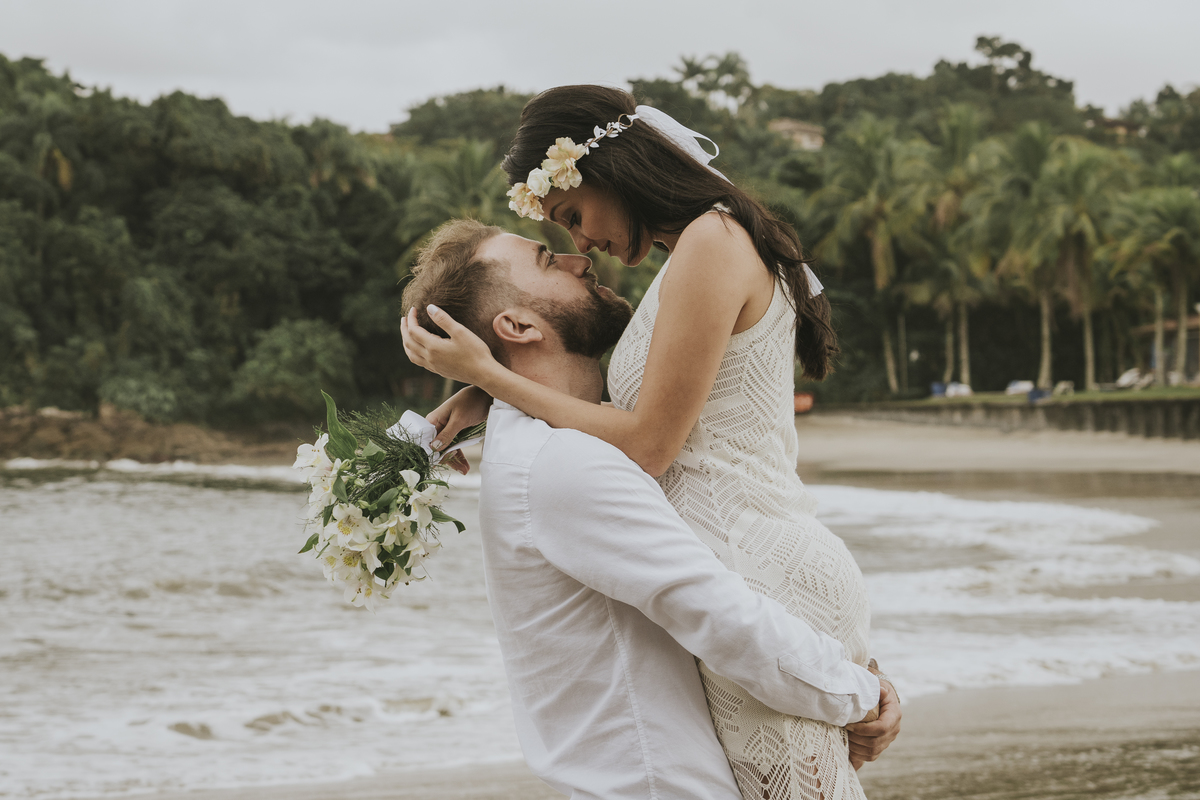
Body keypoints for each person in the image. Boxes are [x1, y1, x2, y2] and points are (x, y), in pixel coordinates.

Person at [401, 86, 898, 799]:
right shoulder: (697, 252)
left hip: (755, 564)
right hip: (748, 565)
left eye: (573, 216)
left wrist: (493, 377)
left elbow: (646, 446)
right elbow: (618, 410)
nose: (583, 245)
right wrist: (490, 388)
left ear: (609, 169)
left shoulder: (711, 242)